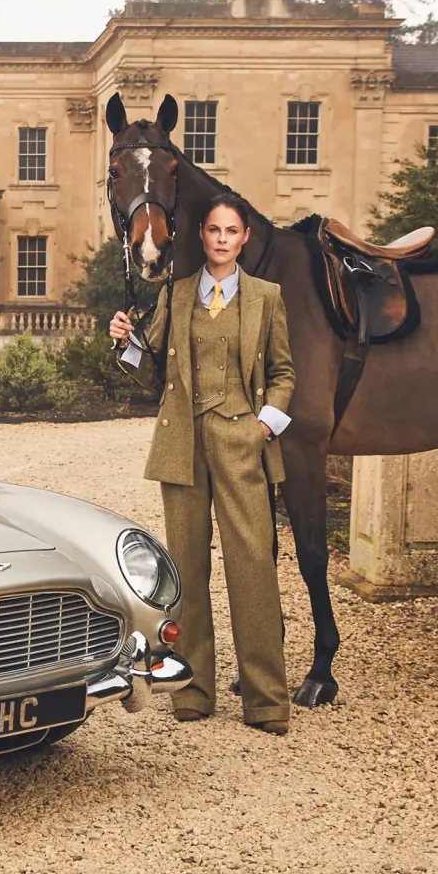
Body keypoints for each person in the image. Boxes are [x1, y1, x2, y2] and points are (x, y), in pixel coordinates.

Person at [109, 192, 296, 735]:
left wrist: (264, 426)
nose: (220, 239)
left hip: (243, 440)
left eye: (231, 231)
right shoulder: (178, 294)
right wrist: (126, 343)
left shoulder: (267, 297)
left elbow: (284, 374)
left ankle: (266, 700)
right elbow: (153, 373)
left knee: (253, 569)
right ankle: (193, 689)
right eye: (213, 229)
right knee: (187, 570)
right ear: (203, 236)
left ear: (244, 239)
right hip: (183, 442)